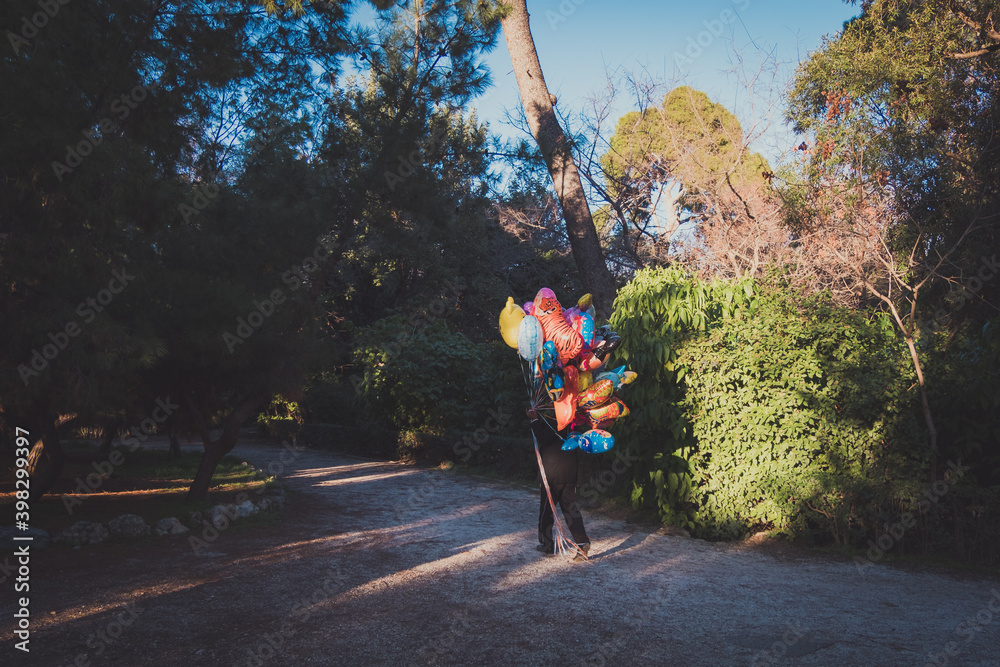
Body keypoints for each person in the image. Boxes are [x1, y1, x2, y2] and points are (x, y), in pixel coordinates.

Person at [528, 408, 590, 560]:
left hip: (552, 473)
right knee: (570, 509)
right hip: (569, 472)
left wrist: (534, 420)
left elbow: (543, 438)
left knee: (546, 509)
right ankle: (582, 542)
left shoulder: (556, 420)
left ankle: (547, 543)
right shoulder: (575, 421)